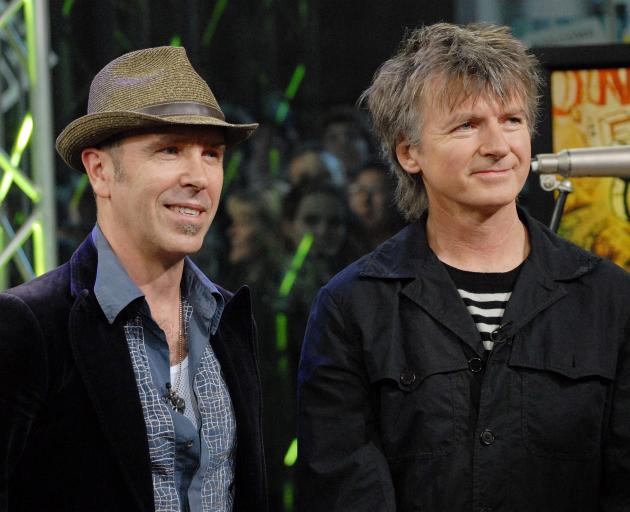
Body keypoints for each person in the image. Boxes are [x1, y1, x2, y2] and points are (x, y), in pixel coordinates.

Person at [297, 23, 630, 512]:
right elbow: (343, 489)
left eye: (512, 120)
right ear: (409, 152)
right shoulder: (352, 307)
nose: (499, 145)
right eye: (467, 124)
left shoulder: (612, 299)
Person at [0, 46, 267, 512]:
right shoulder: (32, 324)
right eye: (170, 150)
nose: (199, 177)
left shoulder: (229, 318)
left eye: (212, 154)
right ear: (100, 171)